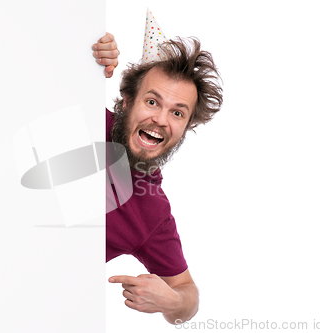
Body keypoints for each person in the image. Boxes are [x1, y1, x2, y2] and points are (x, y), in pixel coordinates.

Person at [92, 32, 223, 324]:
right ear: (127, 100)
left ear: (186, 127)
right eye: (152, 102)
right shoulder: (85, 117)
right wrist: (86, 54)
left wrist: (173, 301)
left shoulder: (151, 212)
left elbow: (187, 297)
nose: (162, 120)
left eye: (177, 112)